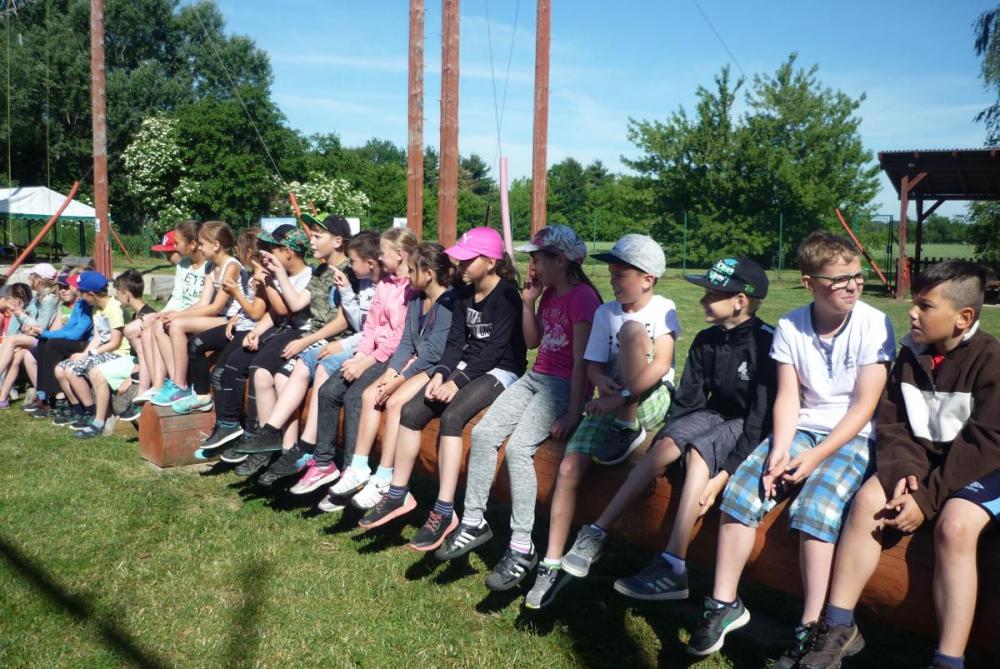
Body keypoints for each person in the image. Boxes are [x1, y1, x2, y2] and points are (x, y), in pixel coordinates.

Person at [686, 232, 896, 669]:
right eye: (840, 280)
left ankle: (812, 626)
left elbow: (865, 406)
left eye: (857, 276)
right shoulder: (790, 326)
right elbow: (787, 398)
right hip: (802, 428)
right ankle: (722, 603)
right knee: (742, 491)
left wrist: (814, 458)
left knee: (816, 508)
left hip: (855, 435)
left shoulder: (874, 323)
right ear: (809, 283)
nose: (853, 286)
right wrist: (780, 451)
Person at [800, 261, 1000, 669]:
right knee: (869, 500)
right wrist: (904, 472)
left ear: (963, 318)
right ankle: (837, 625)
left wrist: (926, 500)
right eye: (915, 303)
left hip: (983, 468)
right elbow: (892, 422)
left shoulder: (991, 361)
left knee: (955, 526)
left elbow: (984, 445)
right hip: (924, 463)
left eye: (925, 306)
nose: (912, 313)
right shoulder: (910, 354)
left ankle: (948, 658)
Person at [557, 258, 776, 602]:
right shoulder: (706, 339)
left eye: (712, 294)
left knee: (699, 453)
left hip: (746, 424)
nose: (703, 300)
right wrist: (669, 440)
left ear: (740, 301)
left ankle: (674, 564)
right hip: (713, 415)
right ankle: (597, 530)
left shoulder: (766, 345)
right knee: (668, 443)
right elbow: (688, 404)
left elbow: (760, 419)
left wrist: (722, 476)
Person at [434, 225, 602, 592]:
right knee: (483, 434)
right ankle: (474, 521)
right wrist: (529, 303)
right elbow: (532, 342)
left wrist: (573, 413)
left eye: (538, 258)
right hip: (535, 377)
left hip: (561, 386)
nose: (532, 264)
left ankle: (522, 547)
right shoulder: (550, 293)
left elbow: (581, 363)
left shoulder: (583, 299)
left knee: (519, 450)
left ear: (561, 260)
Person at [523, 232, 680, 610]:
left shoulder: (663, 308)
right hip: (609, 400)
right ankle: (551, 562)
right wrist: (599, 383)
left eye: (620, 275)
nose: (612, 281)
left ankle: (628, 426)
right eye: (611, 274)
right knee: (568, 467)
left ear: (648, 279)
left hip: (648, 398)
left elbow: (661, 364)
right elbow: (591, 364)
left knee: (631, 331)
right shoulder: (605, 312)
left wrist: (621, 396)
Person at [357, 227, 527, 553]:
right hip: (465, 365)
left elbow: (494, 352)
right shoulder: (463, 294)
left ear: (491, 262)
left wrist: (456, 382)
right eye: (459, 260)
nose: (461, 266)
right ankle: (397, 493)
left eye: (468, 260)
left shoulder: (507, 297)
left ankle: (444, 509)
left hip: (500, 370)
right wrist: (440, 374)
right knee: (410, 412)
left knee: (452, 417)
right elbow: (454, 345)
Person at [321, 241, 457, 509]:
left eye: (412, 270)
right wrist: (392, 372)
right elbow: (406, 342)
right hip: (414, 363)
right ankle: (359, 467)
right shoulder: (416, 298)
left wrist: (398, 380)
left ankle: (384, 475)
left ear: (428, 274)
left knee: (394, 403)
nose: (407, 275)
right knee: (370, 394)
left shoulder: (447, 303)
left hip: (434, 367)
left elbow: (433, 353)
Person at [286, 227, 417, 501]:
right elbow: (371, 327)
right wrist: (359, 356)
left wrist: (366, 362)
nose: (379, 258)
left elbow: (399, 337)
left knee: (355, 397)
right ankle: (324, 462)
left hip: (392, 357)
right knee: (328, 391)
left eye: (383, 253)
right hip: (371, 353)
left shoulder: (411, 289)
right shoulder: (385, 284)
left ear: (400, 255)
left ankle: (353, 469)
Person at [246, 230, 379, 479]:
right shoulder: (323, 271)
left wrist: (311, 341)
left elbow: (350, 324)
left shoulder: (353, 272)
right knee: (270, 374)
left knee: (315, 370)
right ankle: (275, 443)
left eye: (317, 236)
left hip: (339, 341)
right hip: (329, 339)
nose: (312, 241)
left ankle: (301, 450)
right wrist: (277, 273)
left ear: (337, 241)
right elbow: (296, 304)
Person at [199, 223, 313, 451]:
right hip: (274, 329)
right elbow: (273, 314)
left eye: (273, 249)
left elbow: (283, 310)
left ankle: (253, 433)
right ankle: (231, 425)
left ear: (287, 252)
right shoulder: (282, 274)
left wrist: (266, 281)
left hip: (295, 333)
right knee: (225, 366)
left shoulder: (305, 277)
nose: (268, 254)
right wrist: (257, 330)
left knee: (253, 367)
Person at [151, 221, 242, 408]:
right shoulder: (211, 266)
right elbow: (203, 302)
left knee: (177, 325)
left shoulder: (231, 266)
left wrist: (179, 317)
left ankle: (180, 385)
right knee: (169, 322)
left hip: (231, 319)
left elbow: (216, 307)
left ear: (216, 245)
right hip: (218, 317)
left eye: (202, 244)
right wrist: (177, 313)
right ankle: (177, 382)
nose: (199, 248)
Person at [48, 271, 130, 437]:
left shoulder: (114, 308)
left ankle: (94, 414)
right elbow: (98, 337)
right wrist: (84, 354)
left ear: (91, 294)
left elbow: (115, 343)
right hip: (102, 351)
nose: (79, 295)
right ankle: (80, 410)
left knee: (72, 370)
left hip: (118, 353)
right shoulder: (97, 309)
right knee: (60, 369)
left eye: (81, 292)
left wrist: (90, 354)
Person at [134, 221, 208, 404]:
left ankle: (178, 384)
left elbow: (204, 303)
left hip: (199, 315)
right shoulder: (183, 264)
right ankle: (159, 385)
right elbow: (177, 296)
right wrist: (163, 312)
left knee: (161, 325)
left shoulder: (209, 266)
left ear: (192, 244)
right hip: (181, 312)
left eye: (177, 243)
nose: (174, 247)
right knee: (152, 325)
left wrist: (174, 315)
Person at [126, 229, 184, 401]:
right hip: (174, 312)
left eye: (169, 253)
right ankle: (154, 382)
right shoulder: (181, 268)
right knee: (140, 330)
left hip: (184, 316)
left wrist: (163, 316)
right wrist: (159, 314)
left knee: (151, 328)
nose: (166, 257)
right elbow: (176, 299)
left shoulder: (189, 268)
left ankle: (173, 382)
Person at [31, 272, 94, 421]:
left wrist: (46, 333)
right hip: (78, 341)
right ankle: (46, 396)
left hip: (88, 344)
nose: (67, 289)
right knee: (43, 343)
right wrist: (44, 334)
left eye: (69, 285)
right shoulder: (79, 304)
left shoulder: (86, 305)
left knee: (52, 344)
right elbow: (68, 328)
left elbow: (76, 334)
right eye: (63, 287)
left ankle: (60, 398)